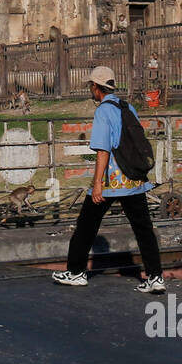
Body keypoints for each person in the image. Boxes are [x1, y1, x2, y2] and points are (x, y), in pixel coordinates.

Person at [52, 66, 165, 292]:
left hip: (111, 182)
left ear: (96, 87)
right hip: (134, 180)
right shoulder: (127, 106)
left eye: (91, 86)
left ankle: (75, 272)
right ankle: (155, 277)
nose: (90, 90)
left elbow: (103, 150)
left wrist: (97, 185)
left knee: (85, 226)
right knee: (143, 229)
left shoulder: (103, 111)